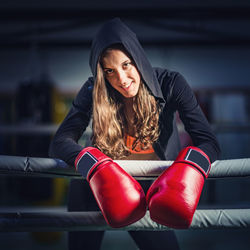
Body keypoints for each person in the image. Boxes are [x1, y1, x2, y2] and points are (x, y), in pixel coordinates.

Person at [49, 18, 220, 250]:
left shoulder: (171, 84)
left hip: (150, 192)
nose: (121, 79)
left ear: (137, 58)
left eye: (126, 64)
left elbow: (208, 141)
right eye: (110, 71)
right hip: (96, 189)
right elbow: (60, 141)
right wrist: (94, 165)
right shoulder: (93, 89)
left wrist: (186, 169)